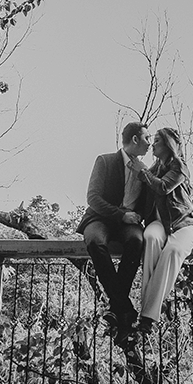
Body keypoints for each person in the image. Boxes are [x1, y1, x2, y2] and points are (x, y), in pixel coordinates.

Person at [77, 121, 151, 341]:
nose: (150, 143)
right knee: (94, 241)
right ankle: (124, 309)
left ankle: (116, 308)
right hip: (100, 218)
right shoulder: (105, 161)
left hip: (130, 225)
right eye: (147, 138)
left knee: (137, 241)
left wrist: (138, 215)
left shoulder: (146, 170)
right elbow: (93, 198)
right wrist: (120, 215)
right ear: (135, 139)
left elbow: (147, 204)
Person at [128, 127, 193, 335]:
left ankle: (147, 317)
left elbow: (163, 187)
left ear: (168, 144)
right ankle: (148, 309)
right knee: (150, 237)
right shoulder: (155, 167)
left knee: (172, 251)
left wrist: (143, 172)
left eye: (157, 141)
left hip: (184, 223)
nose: (152, 144)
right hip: (159, 223)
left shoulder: (179, 165)